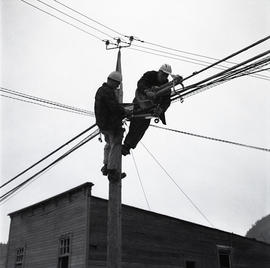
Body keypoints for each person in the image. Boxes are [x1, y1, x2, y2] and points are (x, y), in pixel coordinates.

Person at [122, 64, 173, 156]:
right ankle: (120, 113)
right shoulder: (150, 75)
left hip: (151, 108)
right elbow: (141, 83)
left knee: (143, 125)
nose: (164, 77)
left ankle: (127, 146)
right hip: (140, 101)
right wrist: (146, 91)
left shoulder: (166, 86)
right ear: (159, 72)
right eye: (163, 74)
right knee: (134, 119)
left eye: (166, 75)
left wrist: (161, 110)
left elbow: (167, 101)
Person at [94, 71, 128, 181]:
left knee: (109, 143)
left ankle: (106, 166)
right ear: (111, 81)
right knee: (116, 144)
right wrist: (124, 111)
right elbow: (113, 107)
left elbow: (112, 106)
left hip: (103, 124)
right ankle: (112, 171)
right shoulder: (107, 91)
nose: (118, 86)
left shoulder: (102, 90)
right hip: (110, 124)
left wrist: (121, 110)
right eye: (117, 83)